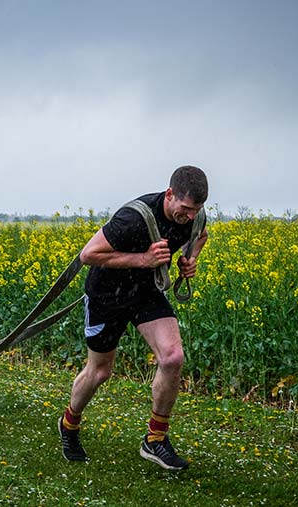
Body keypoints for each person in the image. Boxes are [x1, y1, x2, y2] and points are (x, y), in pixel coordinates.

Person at [58, 165, 209, 470]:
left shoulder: (195, 218)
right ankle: (69, 423)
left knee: (172, 357)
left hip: (145, 293)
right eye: (186, 209)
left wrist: (190, 260)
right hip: (106, 296)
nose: (190, 216)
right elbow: (88, 254)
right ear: (170, 195)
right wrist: (144, 259)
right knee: (99, 372)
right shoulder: (133, 218)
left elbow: (201, 234)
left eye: (197, 209)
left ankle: (155, 440)